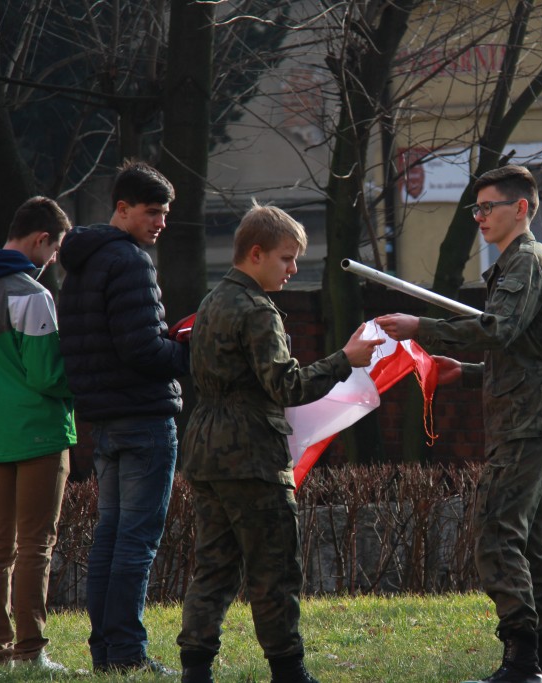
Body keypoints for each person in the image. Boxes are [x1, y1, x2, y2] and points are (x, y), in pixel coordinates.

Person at [376, 164, 542, 683]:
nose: (480, 217)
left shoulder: (526, 263)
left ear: (522, 208)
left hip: (528, 420)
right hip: (527, 414)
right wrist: (463, 373)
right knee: (531, 541)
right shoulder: (519, 264)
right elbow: (523, 350)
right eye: (476, 208)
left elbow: (501, 328)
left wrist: (422, 327)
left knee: (496, 531)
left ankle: (522, 663)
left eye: (489, 207)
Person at [176, 202, 384, 683]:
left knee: (214, 568)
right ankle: (289, 671)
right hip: (251, 456)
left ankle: (195, 669)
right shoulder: (256, 311)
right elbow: (286, 386)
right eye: (287, 258)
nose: (293, 269)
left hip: (205, 452)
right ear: (256, 253)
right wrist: (345, 359)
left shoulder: (211, 303)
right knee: (274, 570)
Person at [57, 160, 189, 675]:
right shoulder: (131, 262)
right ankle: (129, 654)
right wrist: (187, 353)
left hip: (104, 420)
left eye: (166, 213)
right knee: (135, 542)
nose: (160, 222)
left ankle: (105, 655)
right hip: (143, 417)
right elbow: (142, 349)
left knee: (109, 540)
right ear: (122, 208)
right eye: (152, 211)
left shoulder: (82, 261)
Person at [0, 196, 75, 673]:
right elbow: (48, 376)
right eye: (55, 248)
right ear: (40, 239)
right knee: (36, 545)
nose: (54, 260)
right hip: (40, 433)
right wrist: (86, 380)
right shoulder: (31, 293)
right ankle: (31, 652)